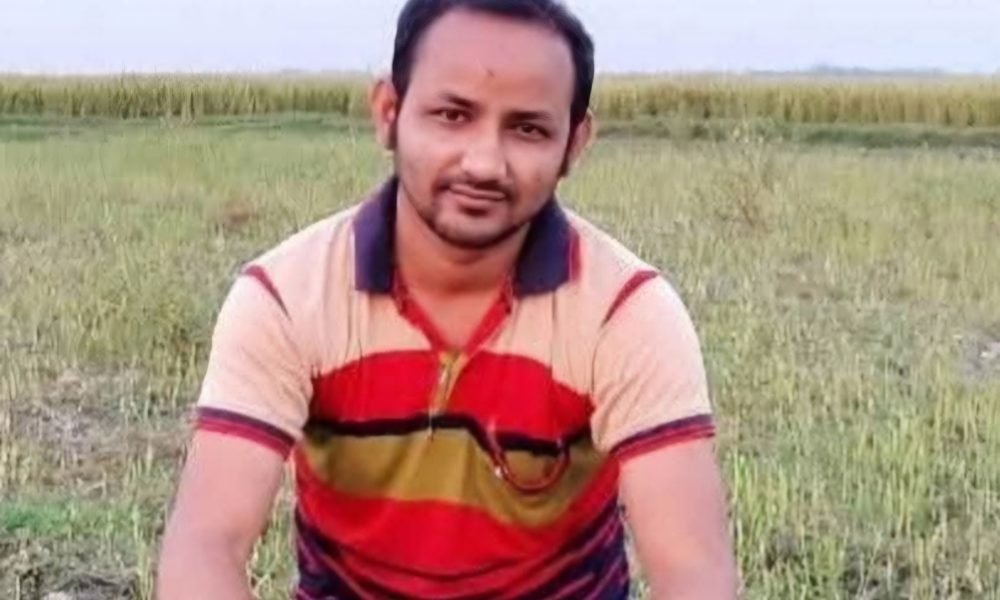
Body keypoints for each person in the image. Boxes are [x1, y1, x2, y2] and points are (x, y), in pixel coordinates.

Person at [157, 0, 739, 598]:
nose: (484, 163)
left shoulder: (624, 311)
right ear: (389, 113)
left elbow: (692, 569)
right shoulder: (287, 297)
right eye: (452, 115)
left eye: (528, 129)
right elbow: (207, 543)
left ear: (574, 143)